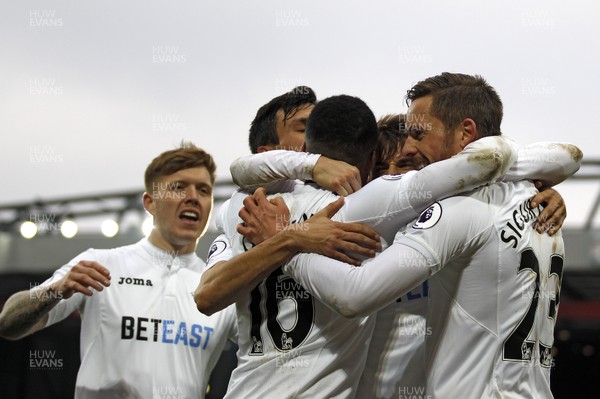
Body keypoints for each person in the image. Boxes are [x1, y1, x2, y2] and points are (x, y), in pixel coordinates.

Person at [195, 92, 578, 397]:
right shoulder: (369, 210)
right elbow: (555, 156)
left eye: (410, 163)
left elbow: (209, 292)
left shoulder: (244, 210)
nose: (400, 173)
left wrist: (524, 190)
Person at [0, 143, 237, 399]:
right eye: (179, 187)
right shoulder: (100, 264)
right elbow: (8, 323)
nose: (193, 196)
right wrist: (55, 290)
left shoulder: (217, 288)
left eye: (203, 190)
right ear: (150, 203)